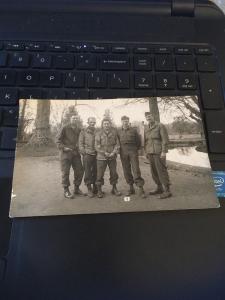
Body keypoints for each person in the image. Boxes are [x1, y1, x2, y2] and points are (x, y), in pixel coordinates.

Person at [144, 112, 172, 199]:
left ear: (153, 116)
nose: (148, 118)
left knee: (161, 170)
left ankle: (167, 190)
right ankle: (159, 188)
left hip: (159, 152)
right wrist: (146, 152)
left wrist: (164, 151)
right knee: (154, 171)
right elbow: (146, 141)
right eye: (147, 117)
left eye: (150, 116)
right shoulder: (146, 127)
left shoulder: (160, 125)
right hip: (150, 152)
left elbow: (165, 140)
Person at [56, 115, 84, 199]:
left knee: (80, 170)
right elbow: (58, 140)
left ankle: (76, 188)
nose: (75, 119)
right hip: (65, 154)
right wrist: (64, 148)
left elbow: (81, 141)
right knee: (65, 172)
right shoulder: (64, 127)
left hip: (75, 153)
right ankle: (66, 190)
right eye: (73, 118)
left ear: (78, 120)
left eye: (76, 118)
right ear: (70, 119)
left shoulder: (79, 129)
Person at [117, 115, 146, 198]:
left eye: (126, 121)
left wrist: (135, 149)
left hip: (133, 150)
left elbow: (138, 141)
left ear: (128, 122)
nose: (125, 122)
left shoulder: (134, 130)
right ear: (121, 122)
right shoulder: (118, 131)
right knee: (126, 170)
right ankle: (131, 188)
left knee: (136, 169)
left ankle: (141, 188)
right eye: (124, 121)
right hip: (123, 151)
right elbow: (117, 142)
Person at [95, 118, 121, 198]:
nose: (106, 125)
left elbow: (117, 145)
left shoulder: (114, 133)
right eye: (105, 124)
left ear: (110, 124)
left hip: (112, 157)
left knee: (113, 173)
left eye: (108, 123)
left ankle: (114, 188)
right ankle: (99, 190)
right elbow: (96, 146)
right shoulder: (98, 133)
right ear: (102, 125)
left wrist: (113, 152)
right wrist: (104, 152)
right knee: (100, 174)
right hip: (101, 157)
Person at [79, 117, 97, 198]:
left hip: (96, 154)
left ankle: (95, 187)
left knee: (96, 171)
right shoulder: (83, 132)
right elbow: (80, 143)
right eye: (91, 122)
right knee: (87, 172)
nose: (92, 123)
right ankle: (89, 188)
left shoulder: (97, 131)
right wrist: (84, 152)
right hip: (87, 154)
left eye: (94, 122)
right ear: (88, 122)